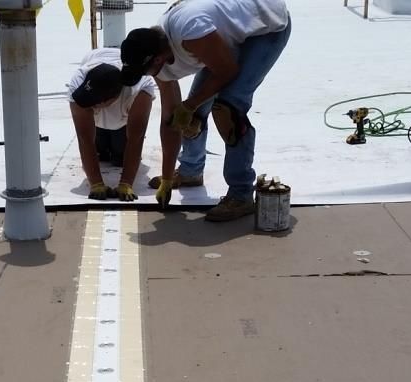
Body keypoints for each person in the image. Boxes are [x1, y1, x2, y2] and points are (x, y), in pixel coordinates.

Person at [118, 0, 291, 221]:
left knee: (229, 108)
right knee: (190, 116)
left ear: (158, 58)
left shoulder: (191, 31)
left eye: (146, 70)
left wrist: (190, 104)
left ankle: (241, 194)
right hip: (224, 36)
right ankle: (190, 171)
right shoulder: (159, 62)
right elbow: (171, 121)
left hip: (267, 24)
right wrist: (168, 178)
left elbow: (227, 70)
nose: (148, 75)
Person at [66, 49, 157, 201]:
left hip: (123, 121)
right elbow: (85, 139)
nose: (89, 105)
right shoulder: (78, 83)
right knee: (99, 150)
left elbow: (136, 139)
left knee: (119, 157)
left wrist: (126, 183)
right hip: (97, 122)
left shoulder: (140, 89)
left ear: (109, 101)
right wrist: (96, 184)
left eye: (92, 103)